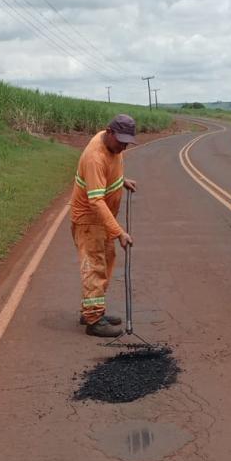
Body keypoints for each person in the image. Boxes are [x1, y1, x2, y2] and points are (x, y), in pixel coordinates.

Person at [70, 114, 138, 337]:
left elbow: (109, 171)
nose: (123, 147)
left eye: (127, 142)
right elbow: (96, 201)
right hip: (90, 221)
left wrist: (121, 181)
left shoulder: (111, 145)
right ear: (109, 132)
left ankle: (92, 310)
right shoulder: (95, 157)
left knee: (106, 261)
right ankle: (94, 320)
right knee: (95, 268)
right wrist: (119, 232)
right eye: (121, 141)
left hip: (103, 221)